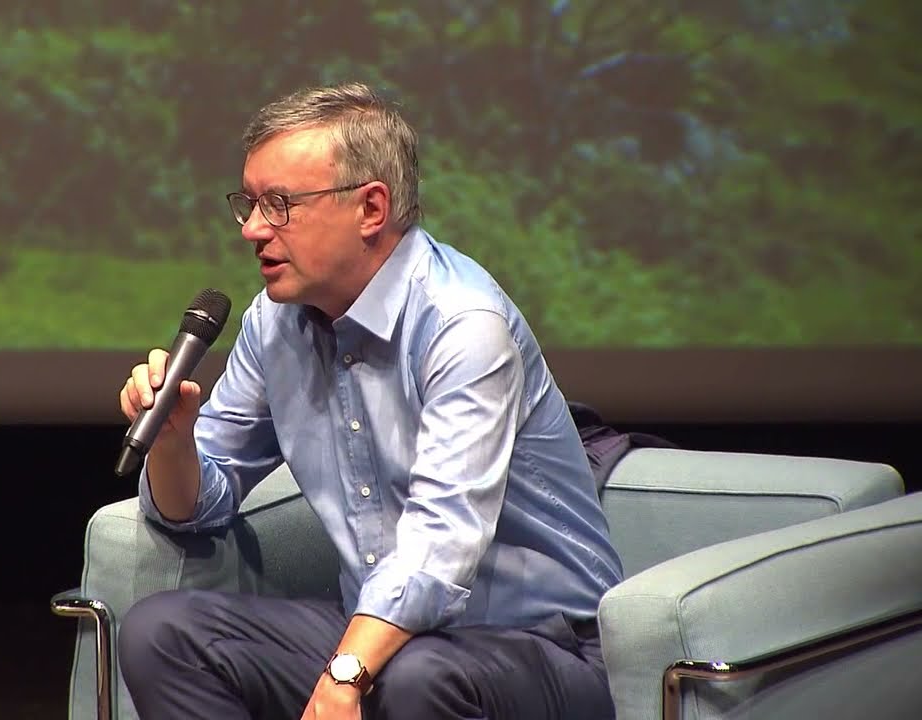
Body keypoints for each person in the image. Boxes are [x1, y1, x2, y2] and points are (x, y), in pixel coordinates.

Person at [116, 82, 623, 720]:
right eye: (247, 203)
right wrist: (172, 441)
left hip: (545, 647)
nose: (250, 229)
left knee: (419, 676)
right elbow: (199, 511)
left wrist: (347, 673)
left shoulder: (462, 323)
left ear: (371, 208)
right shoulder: (274, 324)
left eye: (279, 204)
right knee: (164, 633)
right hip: (384, 635)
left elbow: (442, 538)